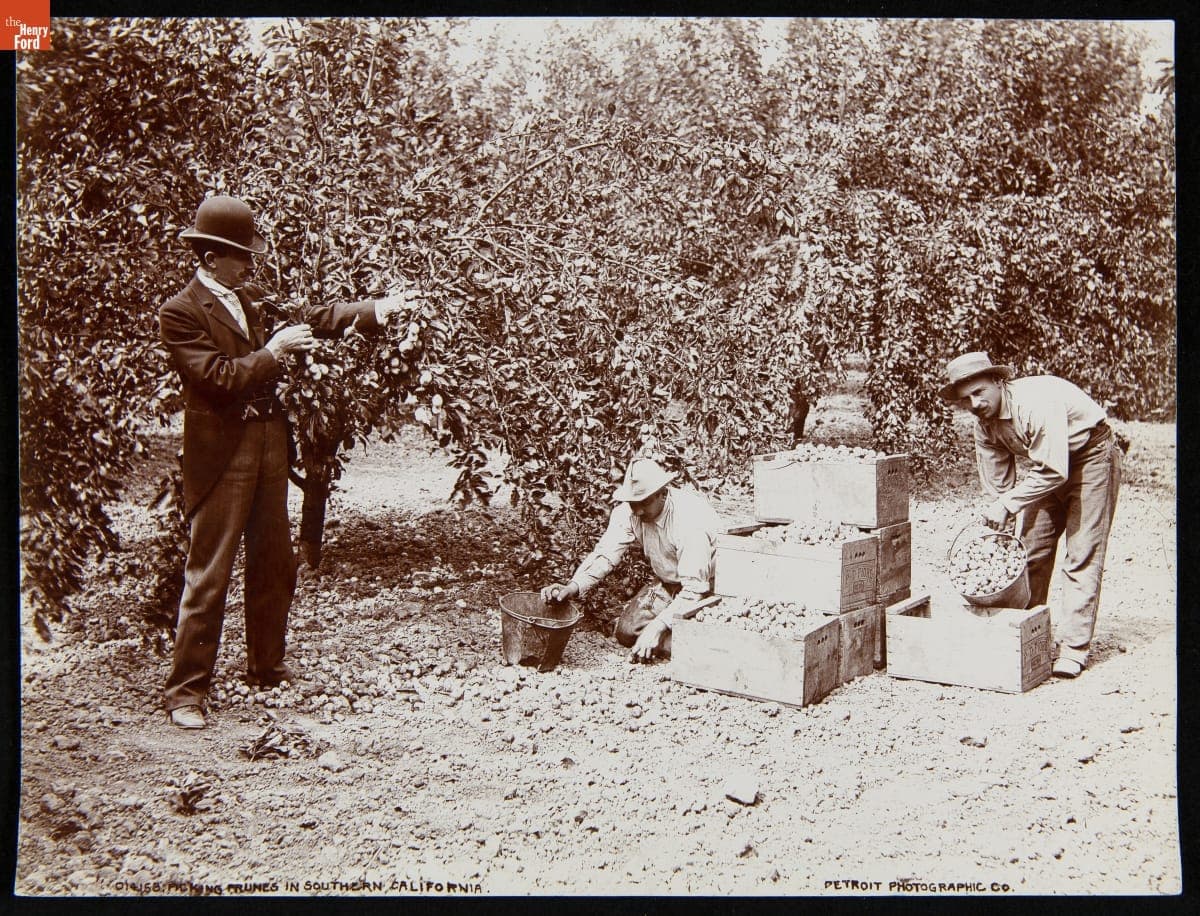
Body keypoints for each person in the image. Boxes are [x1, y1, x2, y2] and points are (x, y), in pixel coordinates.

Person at [160, 195, 415, 729]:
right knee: (210, 572)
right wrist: (273, 354)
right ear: (209, 258)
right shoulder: (181, 312)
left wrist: (375, 310)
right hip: (223, 454)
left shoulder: (247, 294)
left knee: (275, 561)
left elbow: (312, 317)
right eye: (239, 255)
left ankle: (266, 666)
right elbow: (216, 379)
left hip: (270, 442)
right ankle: (186, 692)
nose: (250, 264)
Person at [938, 351, 1122, 679]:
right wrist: (1001, 523)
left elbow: (1054, 470)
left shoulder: (1034, 403)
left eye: (980, 392)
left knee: (1081, 553)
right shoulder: (984, 426)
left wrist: (1010, 504)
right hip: (1048, 467)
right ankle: (1025, 636)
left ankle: (1074, 649)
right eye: (966, 400)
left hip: (1090, 457)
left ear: (998, 381)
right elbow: (999, 488)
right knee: (1031, 550)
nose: (975, 404)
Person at [540, 457, 724, 662]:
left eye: (644, 502)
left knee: (701, 641)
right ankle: (675, 641)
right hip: (670, 583)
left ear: (663, 494)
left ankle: (693, 643)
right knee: (627, 631)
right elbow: (605, 555)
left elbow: (694, 589)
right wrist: (572, 587)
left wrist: (656, 628)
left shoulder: (689, 522)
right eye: (633, 503)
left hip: (708, 588)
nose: (638, 511)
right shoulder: (630, 512)